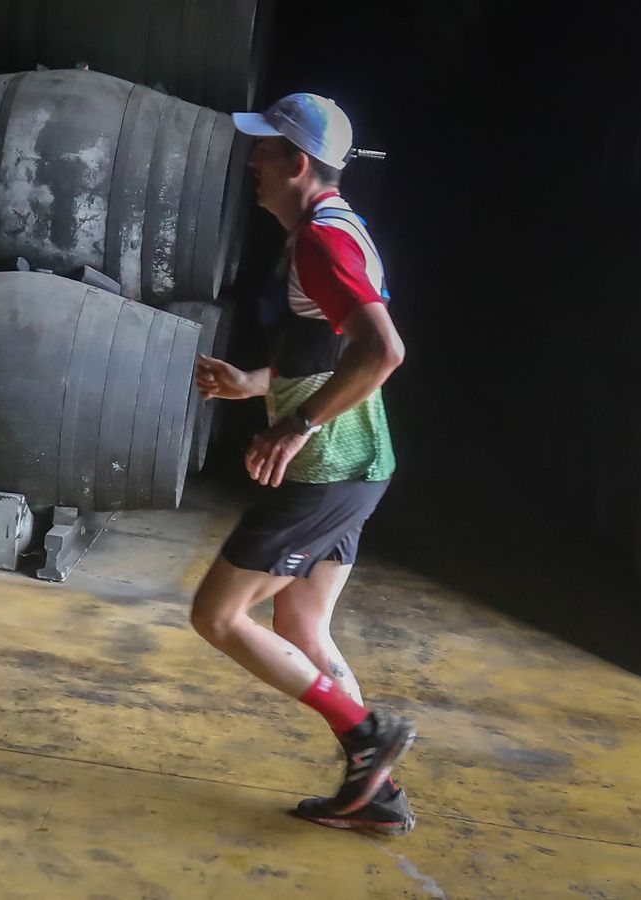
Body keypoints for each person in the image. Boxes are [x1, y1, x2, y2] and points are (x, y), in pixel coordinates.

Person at [192, 92, 415, 835]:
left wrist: (295, 426)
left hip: (331, 467)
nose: (251, 160)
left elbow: (383, 351)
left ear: (297, 163)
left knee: (218, 615)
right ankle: (374, 793)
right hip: (361, 463)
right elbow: (328, 349)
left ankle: (365, 737)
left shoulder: (324, 240)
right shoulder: (322, 233)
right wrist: (255, 385)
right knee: (301, 621)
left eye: (263, 149)